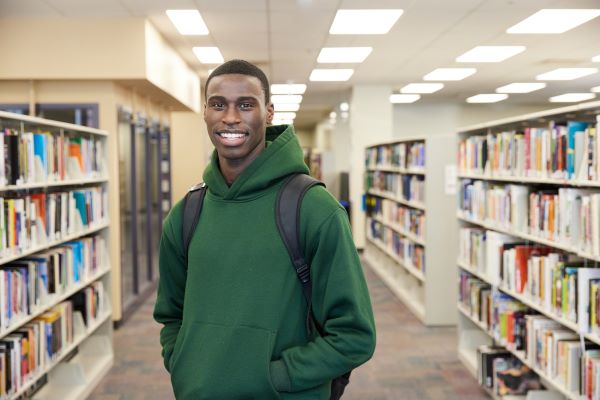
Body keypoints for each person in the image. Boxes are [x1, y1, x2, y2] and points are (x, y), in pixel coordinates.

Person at [153, 59, 376, 400]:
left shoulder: (315, 210)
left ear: (269, 113)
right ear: (205, 113)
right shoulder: (187, 213)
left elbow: (354, 335)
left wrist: (274, 377)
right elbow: (171, 313)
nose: (230, 117)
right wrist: (185, 362)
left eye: (246, 104)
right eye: (218, 104)